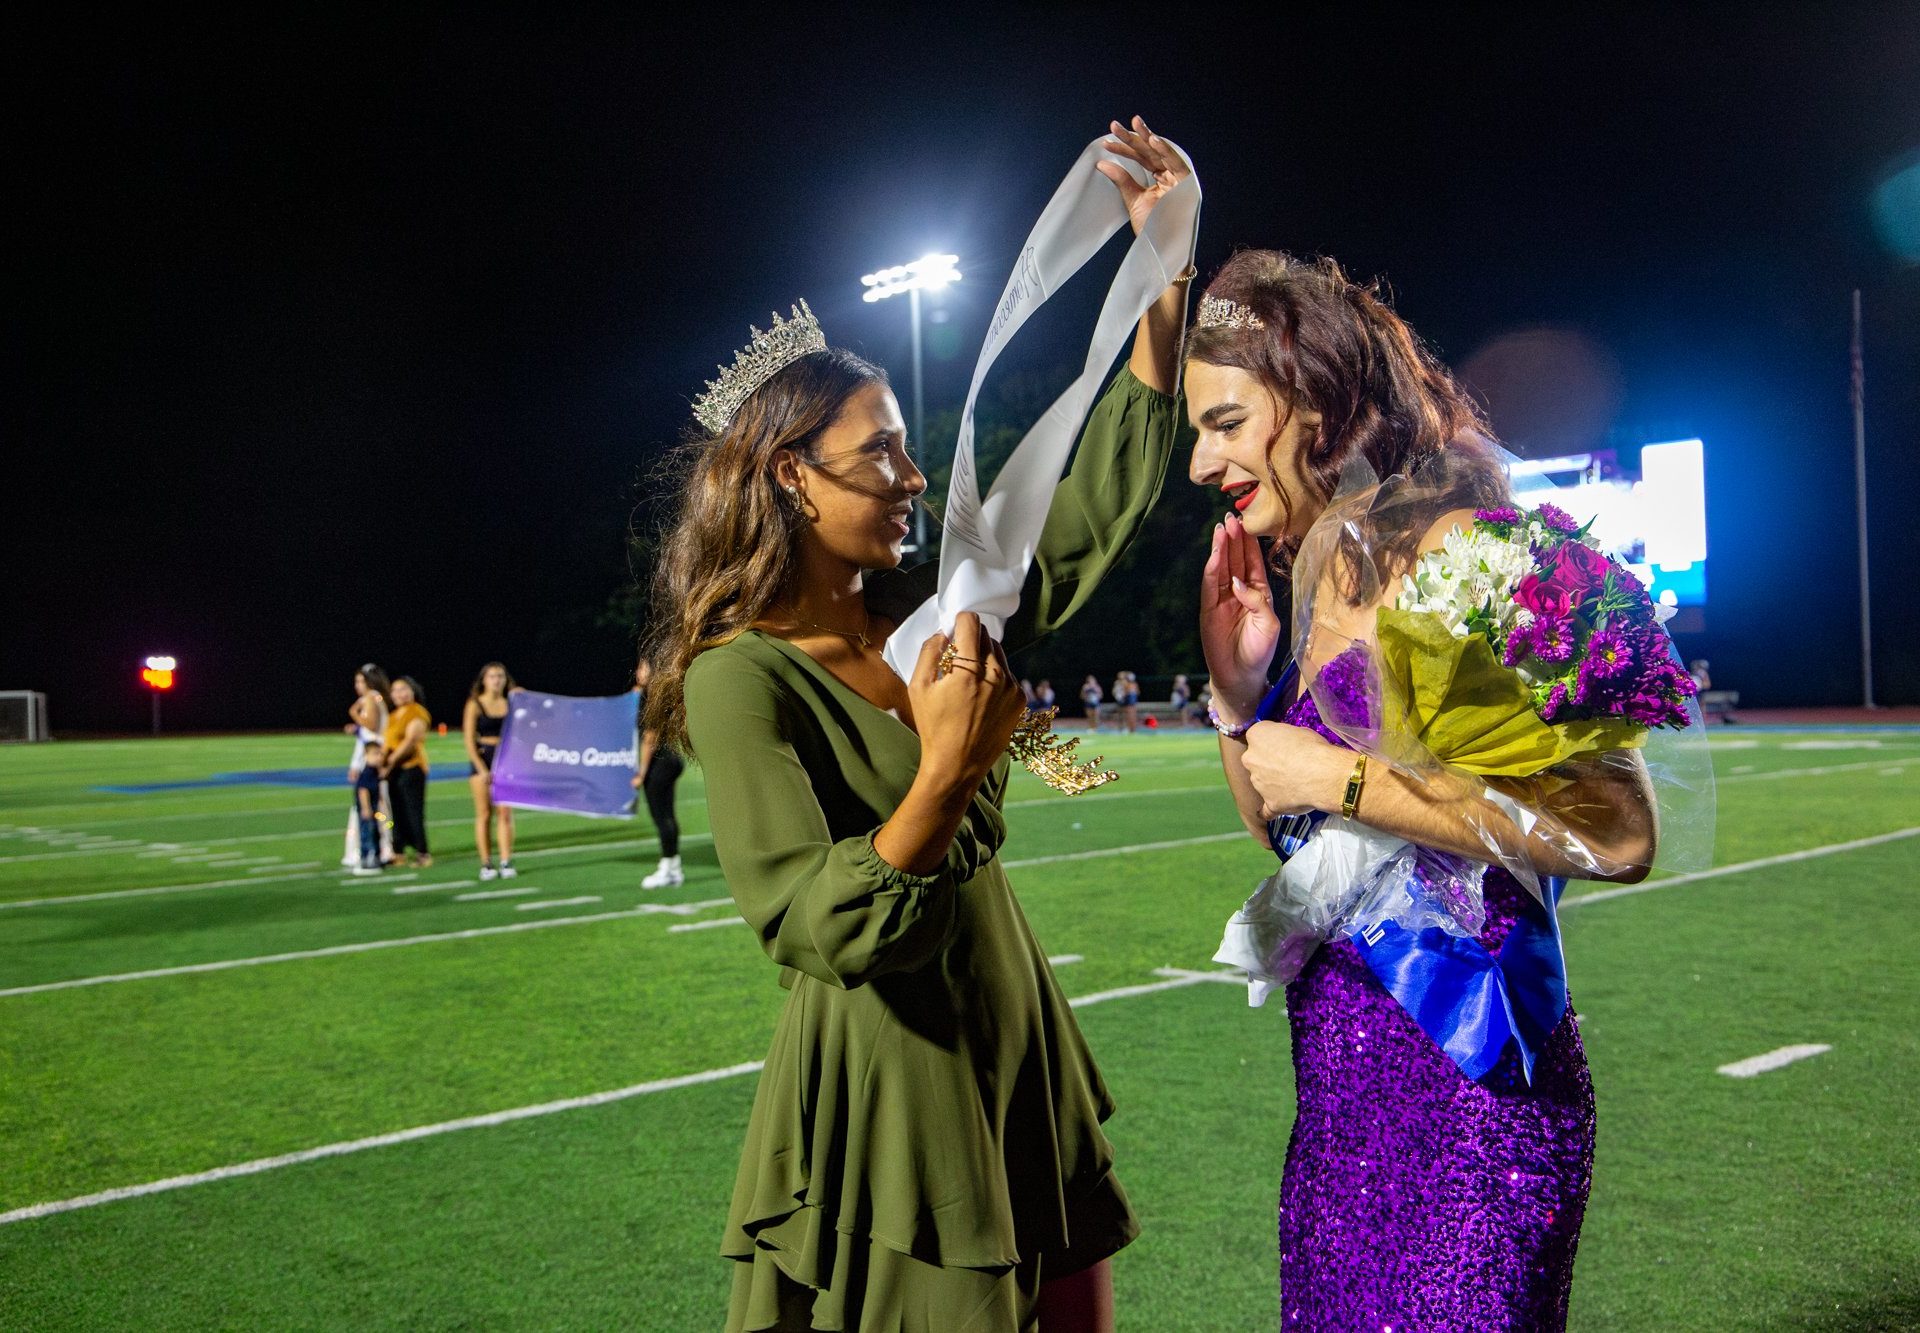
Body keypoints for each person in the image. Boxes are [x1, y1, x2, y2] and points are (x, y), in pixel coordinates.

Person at [647, 114, 1191, 1333]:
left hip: (1009, 1023)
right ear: (792, 475)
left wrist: (1162, 274)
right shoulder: (743, 677)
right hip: (898, 1072)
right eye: (878, 451)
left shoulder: (929, 618)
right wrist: (947, 767)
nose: (910, 474)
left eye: (903, 445)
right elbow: (809, 920)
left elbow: (1080, 510)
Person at [1177, 247, 1657, 1328]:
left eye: (1224, 421)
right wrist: (1236, 695)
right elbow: (1292, 838)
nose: (1203, 462)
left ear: (1316, 397)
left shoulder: (1489, 549)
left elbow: (1618, 831)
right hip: (1339, 1115)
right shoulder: (1317, 571)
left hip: (1479, 1107)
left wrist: (1346, 776)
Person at [631, 657, 686, 889]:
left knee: (660, 815)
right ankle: (673, 867)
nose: (639, 672)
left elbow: (649, 740)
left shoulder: (650, 698)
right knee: (668, 815)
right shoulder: (657, 694)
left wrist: (641, 774)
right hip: (672, 759)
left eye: (643, 668)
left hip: (659, 763)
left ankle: (668, 866)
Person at [464, 661, 518, 880]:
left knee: (504, 813)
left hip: (506, 759)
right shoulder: (475, 704)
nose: (497, 680)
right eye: (492, 676)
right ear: (484, 680)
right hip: (483, 759)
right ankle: (486, 863)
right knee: (484, 814)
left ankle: (506, 860)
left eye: (500, 676)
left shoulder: (512, 703)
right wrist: (481, 768)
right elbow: (469, 741)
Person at [341, 664, 393, 868]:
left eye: (360, 681)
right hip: (374, 755)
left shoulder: (371, 697)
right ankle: (382, 847)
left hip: (370, 759)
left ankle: (370, 850)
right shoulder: (378, 698)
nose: (357, 686)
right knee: (379, 806)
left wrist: (353, 713)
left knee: (368, 807)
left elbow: (370, 726)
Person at [380, 675, 433, 868]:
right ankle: (399, 850)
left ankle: (422, 852)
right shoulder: (393, 716)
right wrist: (381, 761)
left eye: (403, 689)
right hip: (394, 771)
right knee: (395, 813)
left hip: (412, 768)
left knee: (413, 812)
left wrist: (390, 762)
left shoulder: (417, 712)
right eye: (395, 690)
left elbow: (411, 741)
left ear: (412, 691)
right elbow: (387, 742)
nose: (399, 694)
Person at [350, 740, 387, 876]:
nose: (379, 757)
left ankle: (376, 856)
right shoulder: (367, 772)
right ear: (366, 755)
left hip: (374, 809)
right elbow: (363, 790)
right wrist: (366, 808)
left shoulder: (374, 771)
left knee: (376, 831)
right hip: (368, 809)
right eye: (375, 754)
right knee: (367, 832)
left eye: (380, 754)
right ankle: (367, 858)